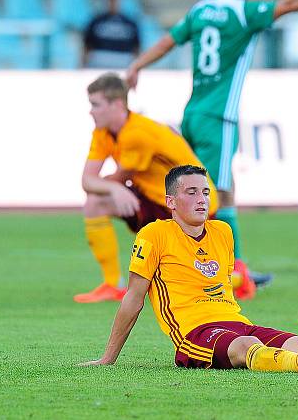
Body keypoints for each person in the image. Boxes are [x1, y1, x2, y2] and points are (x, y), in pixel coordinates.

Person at [124, 0, 298, 295]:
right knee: (211, 193)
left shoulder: (201, 10)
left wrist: (138, 64)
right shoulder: (243, 12)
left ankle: (228, 264)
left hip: (193, 112)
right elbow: (288, 5)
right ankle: (220, 269)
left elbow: (170, 40)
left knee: (212, 188)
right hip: (219, 117)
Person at [79, 164, 298, 374]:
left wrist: (241, 280)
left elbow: (222, 279)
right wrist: (108, 358)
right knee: (244, 346)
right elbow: (133, 298)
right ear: (171, 201)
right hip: (193, 334)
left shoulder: (222, 232)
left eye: (206, 192)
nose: (202, 199)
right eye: (191, 192)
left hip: (236, 320)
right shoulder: (154, 234)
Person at [76, 73, 219, 303]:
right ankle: (112, 284)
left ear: (117, 105)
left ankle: (237, 277)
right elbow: (87, 181)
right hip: (156, 199)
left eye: (96, 104)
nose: (91, 111)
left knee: (193, 279)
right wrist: (114, 189)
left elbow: (119, 177)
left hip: (191, 204)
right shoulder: (102, 132)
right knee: (95, 201)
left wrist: (115, 186)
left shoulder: (137, 133)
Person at [82, 0, 141, 69]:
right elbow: (87, 46)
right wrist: (82, 66)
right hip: (99, 61)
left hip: (123, 61)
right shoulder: (96, 22)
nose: (112, 2)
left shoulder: (130, 23)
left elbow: (136, 48)